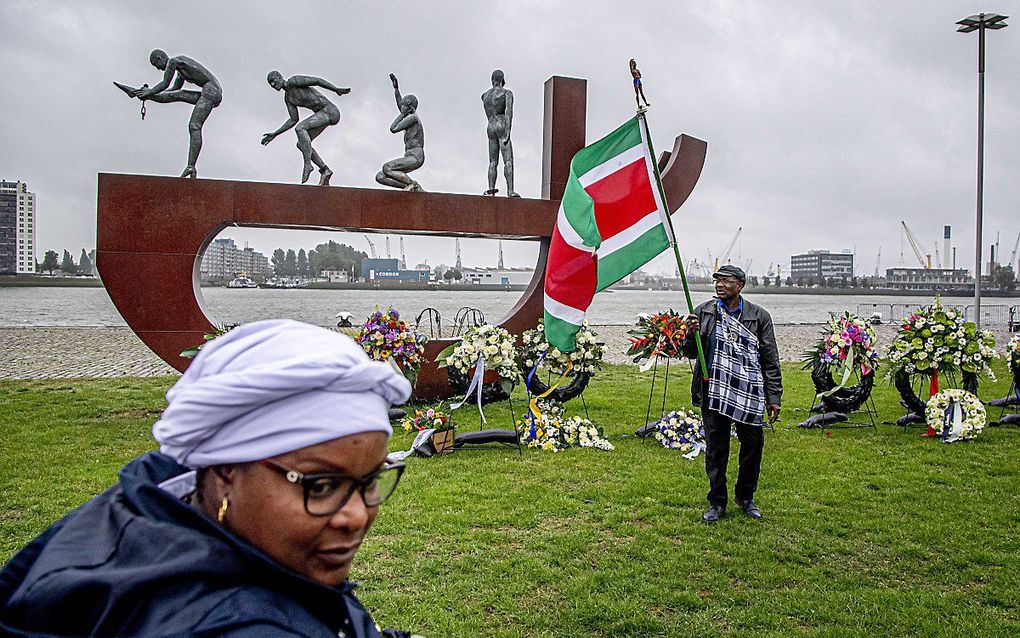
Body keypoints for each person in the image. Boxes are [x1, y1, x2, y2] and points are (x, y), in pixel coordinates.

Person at [0, 320, 420, 637]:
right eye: (321, 485)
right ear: (225, 471)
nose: (355, 517)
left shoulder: (149, 502)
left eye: (368, 482)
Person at [683, 265, 782, 523]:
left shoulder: (759, 317)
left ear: (740, 285)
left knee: (753, 445)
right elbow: (692, 353)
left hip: (749, 390)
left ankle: (745, 496)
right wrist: (690, 334)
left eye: (726, 281)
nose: (719, 285)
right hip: (714, 390)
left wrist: (774, 397)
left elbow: (770, 359)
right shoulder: (703, 312)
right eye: (717, 280)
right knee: (716, 448)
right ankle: (717, 501)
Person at [117, 49, 223, 178]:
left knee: (194, 125)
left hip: (211, 91)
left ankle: (191, 166)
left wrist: (150, 92)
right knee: (177, 95)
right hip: (210, 91)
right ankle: (135, 92)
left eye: (156, 65)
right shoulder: (180, 71)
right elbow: (172, 91)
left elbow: (164, 83)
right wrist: (148, 94)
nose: (158, 69)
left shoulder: (174, 61)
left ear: (159, 58)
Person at [262, 71, 351, 186]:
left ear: (280, 77)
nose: (273, 85)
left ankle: (307, 164)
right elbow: (293, 120)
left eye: (274, 81)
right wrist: (275, 134)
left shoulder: (294, 81)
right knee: (301, 144)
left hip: (330, 111)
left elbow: (317, 81)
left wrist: (336, 89)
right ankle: (325, 170)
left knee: (300, 129)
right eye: (271, 84)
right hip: (322, 114)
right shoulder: (288, 98)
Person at [376, 74, 425, 192]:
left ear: (409, 107)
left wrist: (403, 114)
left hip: (416, 156)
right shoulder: (409, 115)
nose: (400, 107)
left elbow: (393, 128)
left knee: (387, 167)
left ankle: (412, 184)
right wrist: (396, 90)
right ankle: (408, 186)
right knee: (380, 176)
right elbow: (400, 106)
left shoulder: (413, 118)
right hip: (409, 155)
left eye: (403, 105)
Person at [481, 69, 519, 197]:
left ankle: (491, 188)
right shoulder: (507, 93)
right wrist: (508, 131)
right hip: (502, 125)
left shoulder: (484, 96)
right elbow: (509, 113)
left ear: (492, 80)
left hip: (490, 126)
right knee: (508, 160)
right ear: (502, 79)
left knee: (492, 161)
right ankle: (510, 191)